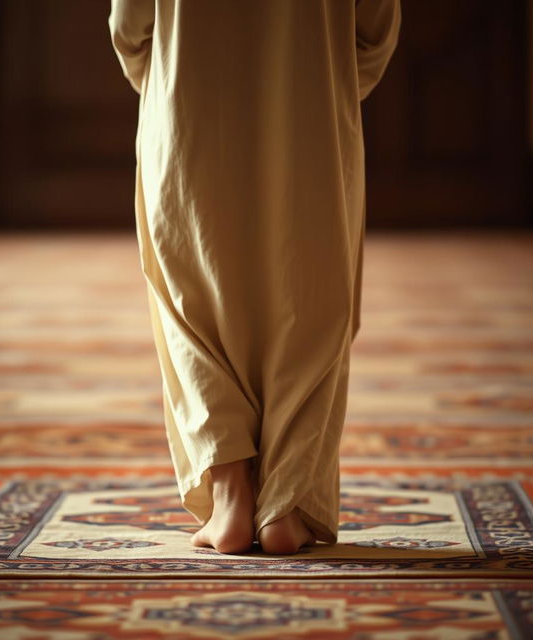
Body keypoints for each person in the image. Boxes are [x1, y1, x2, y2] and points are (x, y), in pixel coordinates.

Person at [109, 0, 401, 555]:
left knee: (189, 301)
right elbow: (376, 30)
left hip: (187, 106)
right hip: (311, 111)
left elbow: (130, 28)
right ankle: (285, 504)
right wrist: (323, 82)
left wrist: (166, 78)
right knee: (310, 299)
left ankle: (230, 495)